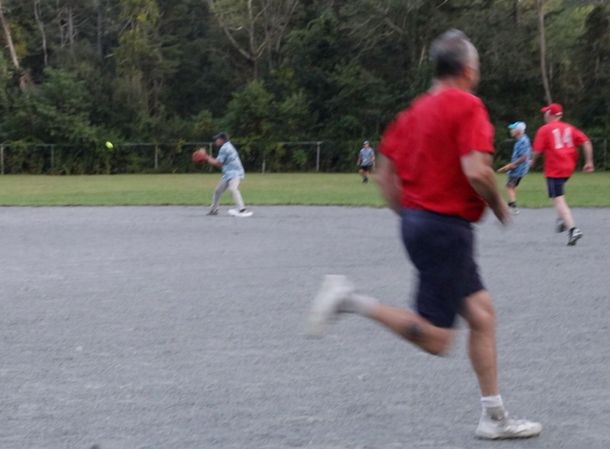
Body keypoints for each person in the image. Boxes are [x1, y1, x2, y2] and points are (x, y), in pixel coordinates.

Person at [307, 29, 542, 440]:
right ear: (468, 70)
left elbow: (384, 176)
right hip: (445, 228)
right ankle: (350, 301)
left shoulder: (411, 112)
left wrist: (413, 215)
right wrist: (498, 206)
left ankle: (494, 416)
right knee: (437, 339)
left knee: (482, 316)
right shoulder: (467, 105)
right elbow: (476, 170)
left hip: (421, 223)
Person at [531, 103, 594, 246]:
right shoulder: (569, 128)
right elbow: (586, 141)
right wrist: (589, 162)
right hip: (568, 167)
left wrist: (532, 162)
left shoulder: (544, 129)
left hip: (555, 168)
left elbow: (537, 151)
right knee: (554, 194)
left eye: (546, 112)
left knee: (558, 199)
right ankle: (561, 219)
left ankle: (573, 229)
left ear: (550, 115)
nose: (544, 115)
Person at [204, 132, 253, 217]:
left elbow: (218, 163)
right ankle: (214, 210)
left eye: (217, 139)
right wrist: (208, 158)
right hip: (228, 173)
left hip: (235, 172)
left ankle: (242, 210)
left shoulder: (225, 148)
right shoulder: (227, 146)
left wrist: (206, 157)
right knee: (218, 191)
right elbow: (221, 163)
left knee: (233, 189)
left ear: (222, 140)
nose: (216, 140)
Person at [496, 121, 532, 214]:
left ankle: (513, 205)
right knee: (512, 186)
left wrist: (511, 165)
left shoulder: (522, 141)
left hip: (518, 169)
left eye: (513, 129)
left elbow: (523, 157)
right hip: (520, 168)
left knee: (509, 186)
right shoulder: (523, 139)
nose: (511, 131)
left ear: (518, 131)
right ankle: (511, 203)